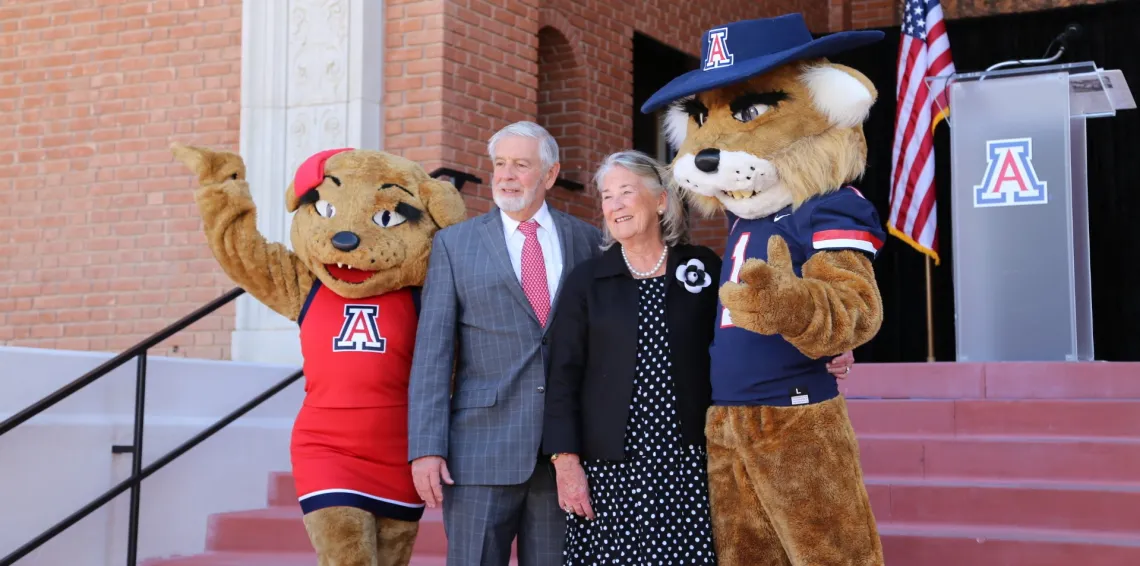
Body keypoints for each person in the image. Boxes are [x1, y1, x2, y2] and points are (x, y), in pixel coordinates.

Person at [541, 150, 856, 566]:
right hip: (610, 470)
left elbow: (749, 331)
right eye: (606, 196)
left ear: (660, 201)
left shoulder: (702, 268)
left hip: (692, 462)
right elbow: (561, 377)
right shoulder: (588, 280)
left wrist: (824, 346)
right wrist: (566, 463)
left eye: (625, 192)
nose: (614, 205)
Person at [407, 121, 604, 566]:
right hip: (479, 450)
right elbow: (433, 354)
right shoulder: (455, 245)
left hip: (564, 453)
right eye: (499, 164)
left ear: (550, 175)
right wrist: (426, 447)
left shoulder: (588, 240)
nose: (506, 175)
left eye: (521, 164)